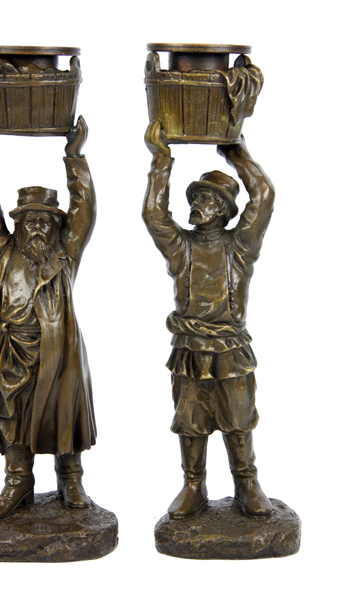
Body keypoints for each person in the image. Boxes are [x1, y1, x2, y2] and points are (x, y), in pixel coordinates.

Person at [143, 120, 275, 519]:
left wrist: (237, 154)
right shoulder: (180, 247)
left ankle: (246, 483)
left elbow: (264, 195)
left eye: (206, 199)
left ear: (224, 210)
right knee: (190, 421)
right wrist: (161, 160)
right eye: (196, 197)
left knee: (239, 418)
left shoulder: (240, 247)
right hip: (190, 349)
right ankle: (193, 485)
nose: (197, 204)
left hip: (230, 349)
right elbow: (153, 215)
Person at [0, 114, 97, 518]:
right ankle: (18, 481)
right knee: (13, 415)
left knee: (63, 416)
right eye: (30, 221)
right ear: (17, 224)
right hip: (12, 353)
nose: (39, 227)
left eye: (46, 221)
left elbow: (84, 210)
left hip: (59, 353)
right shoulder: (1, 251)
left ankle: (70, 479)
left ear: (57, 226)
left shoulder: (65, 254)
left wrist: (74, 156)